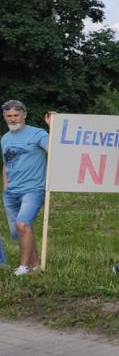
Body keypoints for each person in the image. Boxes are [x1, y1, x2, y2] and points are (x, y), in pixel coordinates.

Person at [2, 100, 48, 275]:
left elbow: (54, 149)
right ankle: (35, 266)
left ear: (24, 115)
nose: (13, 119)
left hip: (33, 189)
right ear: (4, 117)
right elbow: (6, 165)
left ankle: (23, 267)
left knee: (22, 225)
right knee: (21, 230)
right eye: (9, 116)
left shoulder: (38, 133)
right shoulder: (5, 138)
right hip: (11, 192)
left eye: (16, 115)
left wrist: (54, 127)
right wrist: (5, 188)